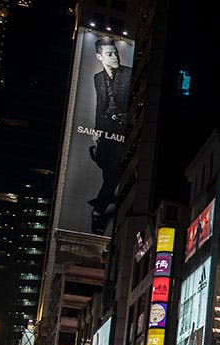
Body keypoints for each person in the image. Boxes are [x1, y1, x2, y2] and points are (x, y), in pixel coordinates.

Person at [88, 36, 131, 234]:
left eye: (116, 52)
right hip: (105, 132)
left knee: (112, 175)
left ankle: (98, 212)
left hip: (122, 133)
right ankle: (107, 198)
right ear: (99, 57)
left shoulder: (128, 75)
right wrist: (97, 133)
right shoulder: (98, 78)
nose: (115, 56)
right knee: (108, 172)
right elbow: (99, 107)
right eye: (109, 54)